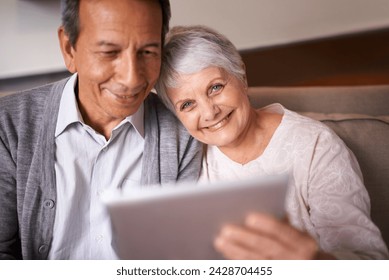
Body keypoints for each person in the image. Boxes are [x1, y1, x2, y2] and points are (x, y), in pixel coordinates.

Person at [155, 25, 389, 259]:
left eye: (215, 87)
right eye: (187, 104)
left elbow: (371, 262)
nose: (209, 112)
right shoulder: (184, 160)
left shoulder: (316, 145)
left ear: (241, 77)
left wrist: (309, 262)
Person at [0, 0, 202, 260]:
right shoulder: (8, 125)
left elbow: (180, 254)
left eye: (148, 52)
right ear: (69, 48)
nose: (132, 78)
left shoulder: (182, 131)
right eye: (109, 52)